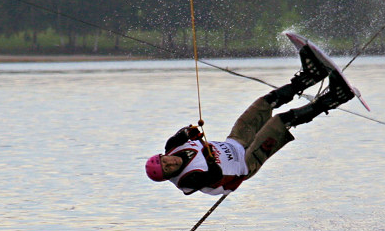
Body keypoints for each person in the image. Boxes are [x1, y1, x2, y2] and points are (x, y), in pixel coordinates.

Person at [145, 43, 355, 195]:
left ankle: (310, 76)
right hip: (245, 164)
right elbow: (214, 175)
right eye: (169, 168)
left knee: (262, 104)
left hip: (234, 143)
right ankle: (334, 98)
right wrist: (209, 157)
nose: (171, 162)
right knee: (279, 122)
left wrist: (190, 132)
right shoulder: (187, 181)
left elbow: (184, 132)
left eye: (166, 160)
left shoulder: (172, 146)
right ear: (168, 176)